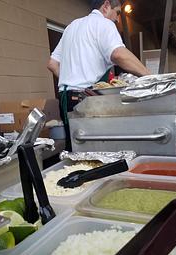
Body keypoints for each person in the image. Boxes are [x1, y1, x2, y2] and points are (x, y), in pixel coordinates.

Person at [47, 0, 150, 151]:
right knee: (97, 151)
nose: (117, 19)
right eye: (117, 12)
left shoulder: (71, 27)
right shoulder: (104, 24)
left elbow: (52, 64)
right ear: (106, 6)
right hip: (87, 101)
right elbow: (118, 54)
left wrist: (72, 81)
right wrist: (150, 76)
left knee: (75, 150)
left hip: (65, 99)